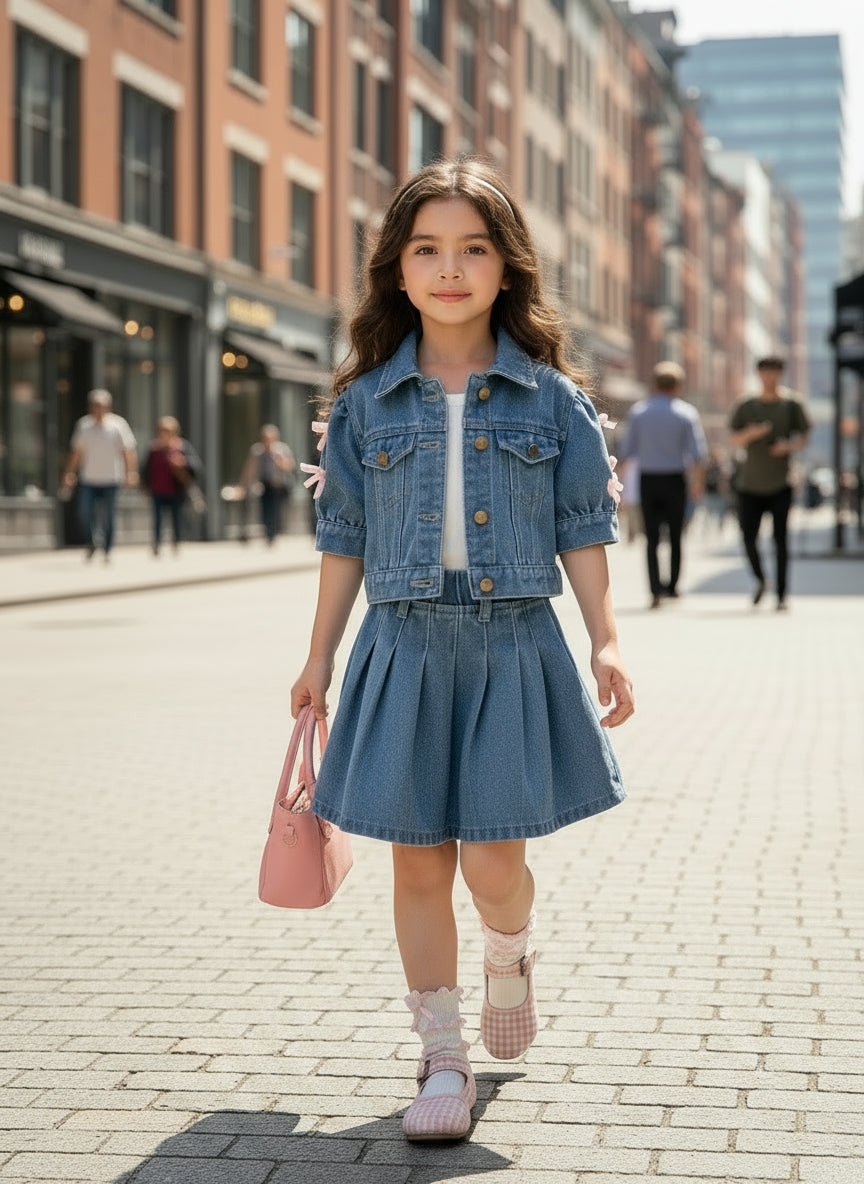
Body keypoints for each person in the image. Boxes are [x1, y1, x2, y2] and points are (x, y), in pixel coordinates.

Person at [290, 159, 634, 1143]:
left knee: (492, 860)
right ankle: (442, 1053)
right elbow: (342, 538)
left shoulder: (553, 398)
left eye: (472, 248)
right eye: (427, 249)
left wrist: (608, 638)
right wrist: (318, 656)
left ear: (505, 267)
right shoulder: (363, 403)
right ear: (398, 272)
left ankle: (510, 950)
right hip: (401, 644)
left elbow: (582, 528)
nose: (449, 268)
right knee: (416, 865)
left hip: (513, 644)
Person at [616, 362, 707, 608]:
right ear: (677, 386)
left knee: (652, 539)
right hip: (675, 480)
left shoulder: (639, 412)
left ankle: (655, 591)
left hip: (649, 480)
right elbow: (698, 454)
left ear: (654, 384)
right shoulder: (686, 413)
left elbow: (625, 453)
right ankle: (673, 587)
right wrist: (697, 484)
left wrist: (621, 489)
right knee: (676, 536)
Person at [729, 355, 811, 609]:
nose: (770, 377)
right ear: (759, 374)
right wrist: (751, 434)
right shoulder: (746, 404)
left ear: (781, 374)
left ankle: (782, 595)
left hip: (780, 483)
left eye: (774, 372)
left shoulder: (791, 404)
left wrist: (789, 446)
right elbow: (734, 439)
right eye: (765, 372)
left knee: (781, 540)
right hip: (749, 483)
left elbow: (805, 436)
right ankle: (761, 578)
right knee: (747, 537)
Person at [61, 390, 138, 561]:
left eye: (101, 405)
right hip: (89, 478)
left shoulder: (118, 425)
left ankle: (108, 549)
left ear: (108, 407)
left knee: (109, 516)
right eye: (94, 405)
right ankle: (93, 541)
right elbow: (76, 453)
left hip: (112, 478)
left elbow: (128, 452)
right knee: (85, 513)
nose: (98, 409)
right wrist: (69, 474)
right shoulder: (84, 425)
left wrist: (130, 473)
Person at [142, 416, 203, 555]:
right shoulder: (154, 449)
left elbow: (196, 467)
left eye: (168, 431)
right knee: (157, 519)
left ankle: (176, 541)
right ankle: (157, 543)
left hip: (176, 491)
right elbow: (146, 469)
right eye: (162, 430)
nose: (165, 434)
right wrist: (146, 486)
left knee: (176, 518)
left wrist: (183, 462)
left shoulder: (182, 447)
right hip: (157, 490)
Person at [240, 425, 296, 544]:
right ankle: (269, 534)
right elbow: (250, 469)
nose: (268, 441)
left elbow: (290, 467)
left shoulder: (282, 450)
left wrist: (279, 460)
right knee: (266, 510)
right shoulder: (257, 451)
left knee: (278, 511)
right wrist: (244, 485)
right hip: (266, 485)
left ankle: (275, 532)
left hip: (280, 486)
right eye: (265, 438)